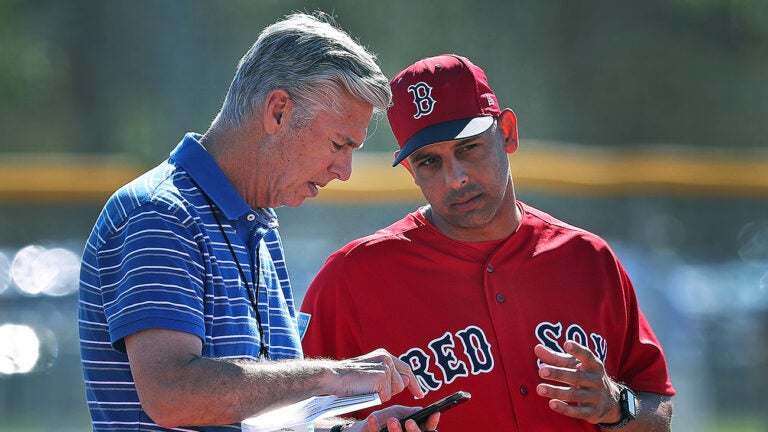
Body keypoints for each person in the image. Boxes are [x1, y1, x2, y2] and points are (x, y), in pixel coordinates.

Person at [78, 12, 440, 432]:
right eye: (340, 144)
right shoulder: (161, 214)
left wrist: (352, 430)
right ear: (279, 111)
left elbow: (264, 415)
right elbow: (172, 393)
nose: (345, 170)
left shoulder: (259, 228)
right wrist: (331, 375)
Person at [300, 54, 676, 431]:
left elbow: (658, 410)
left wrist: (617, 405)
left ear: (508, 132)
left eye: (468, 148)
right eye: (430, 162)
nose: (456, 178)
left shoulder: (588, 260)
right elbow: (288, 420)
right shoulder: (352, 279)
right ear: (412, 170)